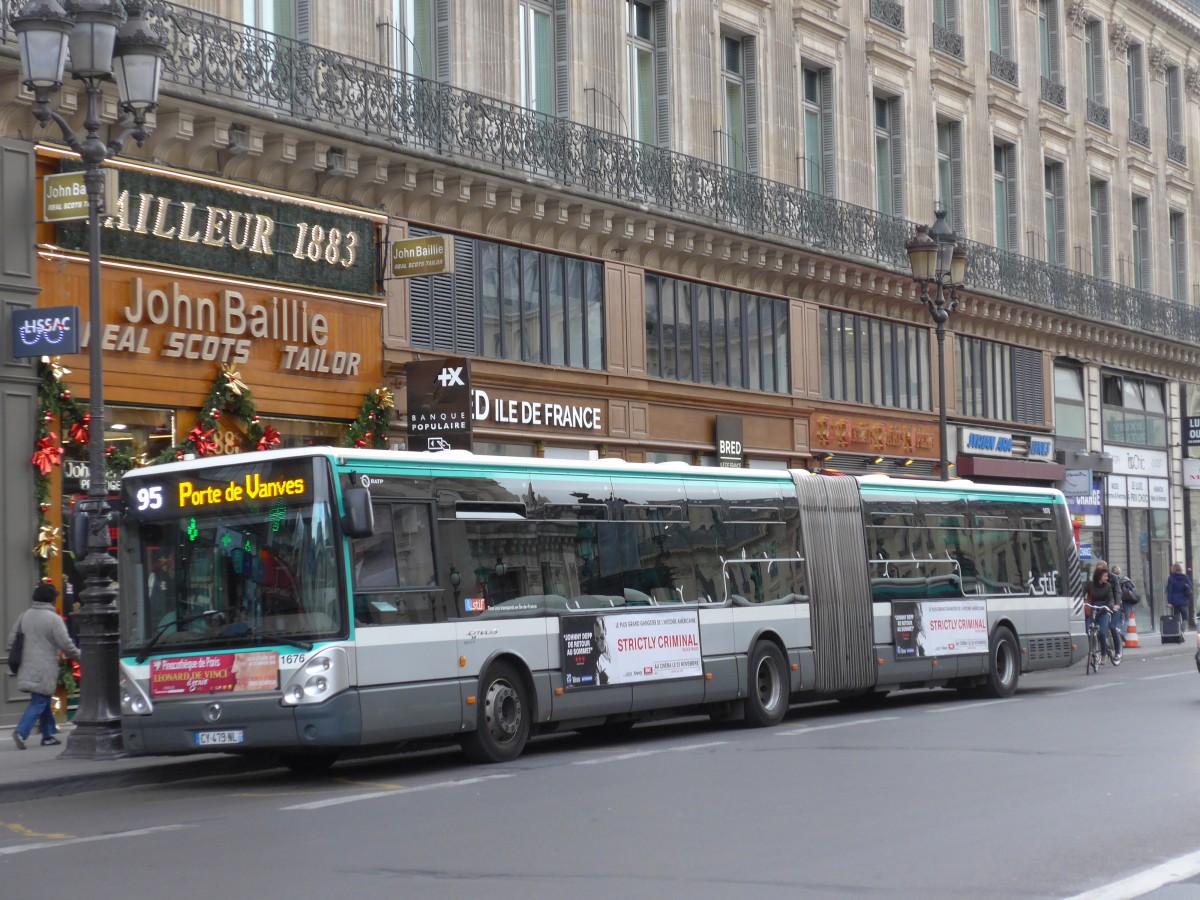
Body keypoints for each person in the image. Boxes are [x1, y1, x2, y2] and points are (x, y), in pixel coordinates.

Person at [6, 582, 81, 749]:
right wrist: (80, 657)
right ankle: (21, 732)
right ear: (51, 600)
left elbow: (12, 641)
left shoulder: (24, 615)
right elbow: (66, 644)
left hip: (27, 666)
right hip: (45, 667)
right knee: (39, 701)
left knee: (43, 699)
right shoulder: (53, 619)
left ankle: (48, 735)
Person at [1086, 563, 1120, 666]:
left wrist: (1113, 605)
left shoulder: (1109, 584)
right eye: (1104, 576)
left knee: (1104, 632)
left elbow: (1113, 596)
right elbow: (1083, 593)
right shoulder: (1091, 585)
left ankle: (1107, 654)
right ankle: (1093, 652)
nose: (1107, 577)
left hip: (1105, 609)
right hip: (1094, 609)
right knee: (1088, 630)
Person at [1111, 565, 1138, 638]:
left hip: (1117, 602)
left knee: (1118, 619)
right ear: (1119, 572)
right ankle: (1122, 633)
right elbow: (1133, 589)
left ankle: (1118, 635)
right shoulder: (1124, 579)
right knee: (1127, 618)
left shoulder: (1112, 580)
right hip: (1126, 601)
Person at [1166, 562, 1192, 630]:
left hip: (1175, 602)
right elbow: (1190, 586)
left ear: (1173, 569)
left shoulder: (1171, 578)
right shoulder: (1185, 577)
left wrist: (1169, 602)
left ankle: (1177, 631)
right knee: (1185, 618)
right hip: (1184, 601)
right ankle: (1182, 631)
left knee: (1176, 617)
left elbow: (1170, 591)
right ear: (1180, 569)